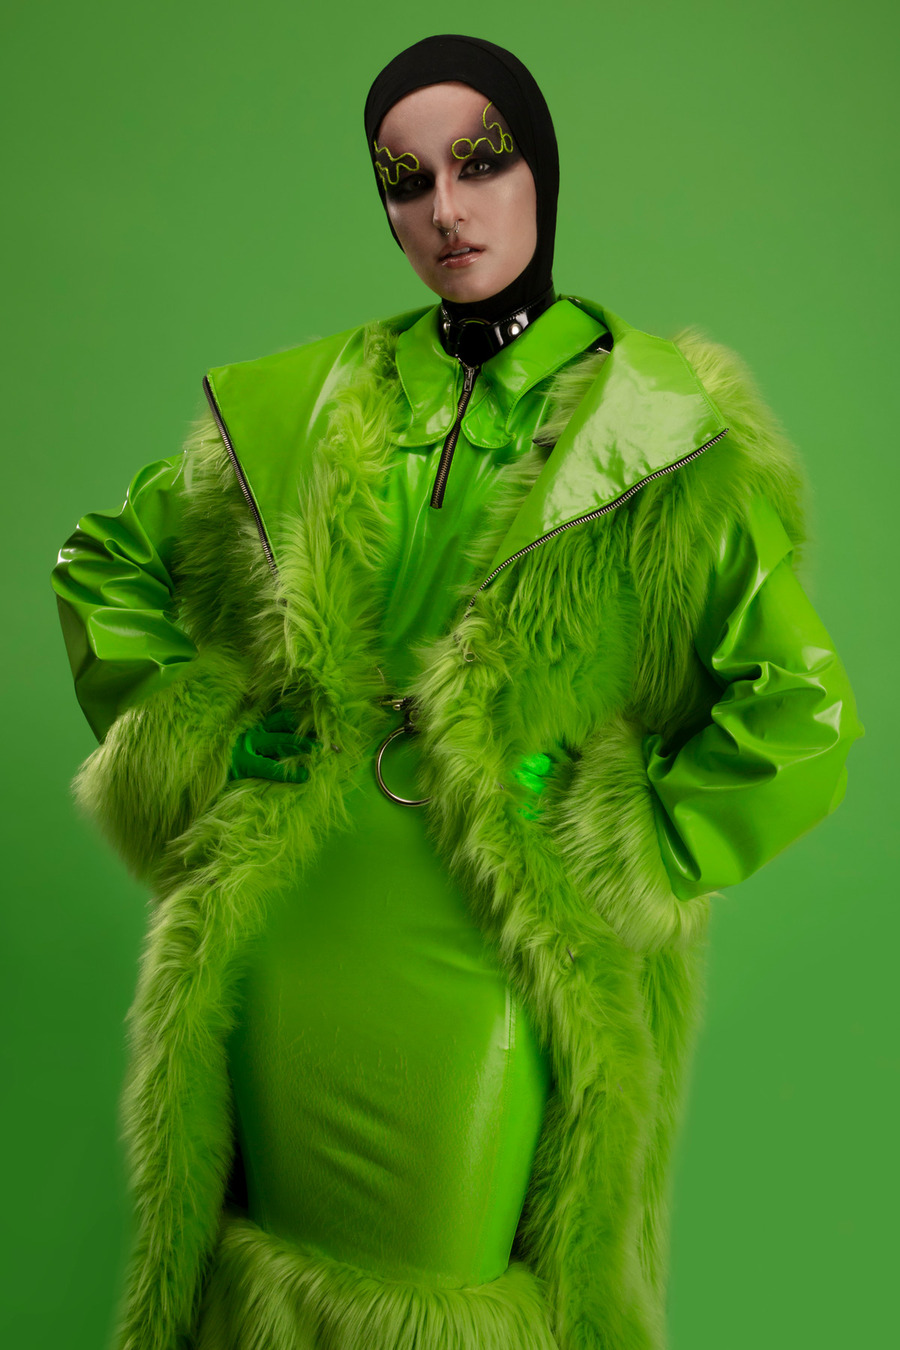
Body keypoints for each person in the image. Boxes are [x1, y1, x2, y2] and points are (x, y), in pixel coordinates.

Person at [51, 32, 863, 1350]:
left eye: (481, 162)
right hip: (295, 907)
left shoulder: (664, 432)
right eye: (405, 177)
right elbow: (106, 559)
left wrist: (624, 830)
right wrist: (199, 733)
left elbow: (800, 713)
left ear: (543, 169)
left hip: (489, 933)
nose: (446, 207)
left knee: (445, 1284)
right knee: (256, 1273)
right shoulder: (305, 402)